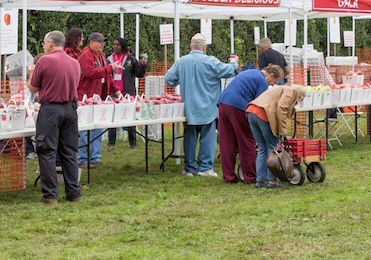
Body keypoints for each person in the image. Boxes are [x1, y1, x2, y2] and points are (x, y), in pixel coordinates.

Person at [165, 33, 238, 177]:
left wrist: (179, 81)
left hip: (189, 107)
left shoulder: (181, 61)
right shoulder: (210, 61)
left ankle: (189, 168)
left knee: (189, 137)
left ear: (190, 46)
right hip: (208, 107)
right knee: (207, 138)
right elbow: (229, 71)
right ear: (204, 47)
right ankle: (205, 168)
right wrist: (234, 62)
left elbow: (169, 79)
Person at [29, 31, 82, 204]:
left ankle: (51, 194)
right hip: (70, 109)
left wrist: (31, 72)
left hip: (51, 109)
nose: (43, 46)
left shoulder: (44, 61)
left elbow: (32, 88)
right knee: (69, 152)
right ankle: (74, 192)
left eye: (44, 43)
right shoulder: (75, 62)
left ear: (50, 43)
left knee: (47, 151)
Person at [217, 65, 284, 184]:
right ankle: (250, 176)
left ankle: (229, 177)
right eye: (274, 81)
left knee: (227, 142)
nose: (273, 85)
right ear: (271, 75)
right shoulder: (262, 81)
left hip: (223, 104)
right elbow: (260, 104)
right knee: (246, 142)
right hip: (238, 107)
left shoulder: (251, 72)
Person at [247, 85, 306, 188]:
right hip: (263, 114)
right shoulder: (291, 92)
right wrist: (282, 131)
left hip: (251, 112)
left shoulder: (280, 88)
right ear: (299, 95)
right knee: (273, 149)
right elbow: (281, 109)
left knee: (262, 148)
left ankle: (260, 181)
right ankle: (271, 181)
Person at [77, 32, 122, 167]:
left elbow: (107, 75)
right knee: (85, 129)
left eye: (103, 42)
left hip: (98, 97)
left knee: (97, 127)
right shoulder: (85, 55)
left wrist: (116, 90)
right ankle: (84, 159)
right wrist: (110, 68)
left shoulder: (101, 56)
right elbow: (89, 72)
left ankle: (95, 158)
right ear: (91, 43)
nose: (103, 44)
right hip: (85, 96)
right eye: (100, 41)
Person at [107, 37, 147, 149]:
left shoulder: (130, 58)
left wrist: (143, 65)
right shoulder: (109, 59)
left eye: (118, 45)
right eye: (114, 44)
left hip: (128, 92)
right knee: (112, 119)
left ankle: (133, 143)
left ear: (123, 46)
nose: (115, 46)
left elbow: (139, 74)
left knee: (130, 118)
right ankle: (111, 143)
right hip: (113, 93)